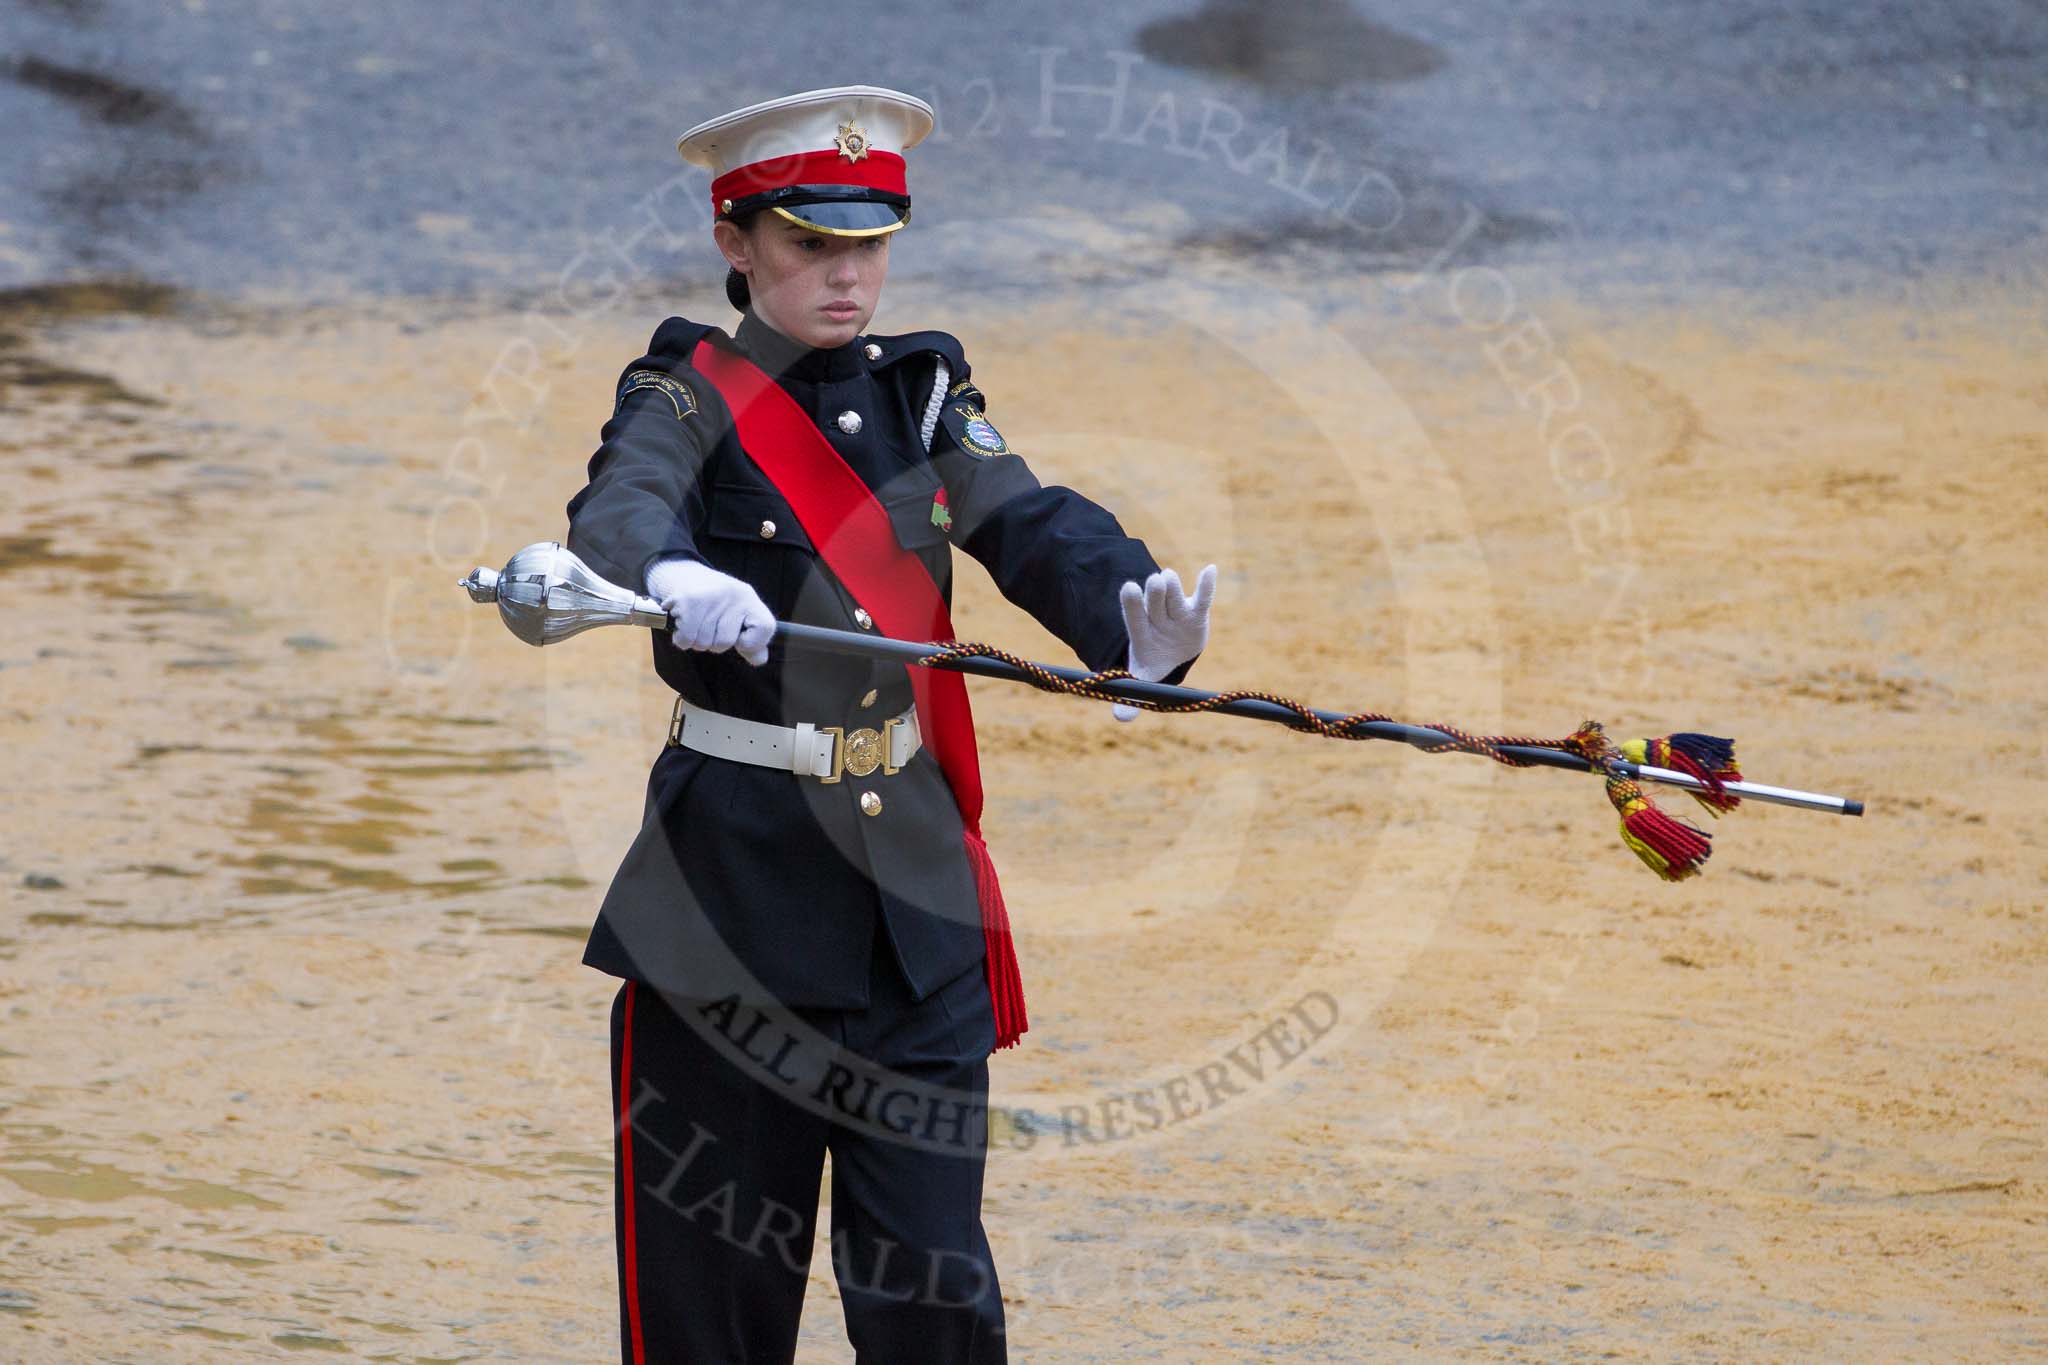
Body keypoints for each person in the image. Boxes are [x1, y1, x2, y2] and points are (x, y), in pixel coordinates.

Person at [563, 85, 1217, 1364]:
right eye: (809, 243)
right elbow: (622, 505)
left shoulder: (923, 395)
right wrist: (671, 575)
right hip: (730, 915)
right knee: (712, 1319)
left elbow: (1026, 514)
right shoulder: (683, 394)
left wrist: (1126, 628)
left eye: (866, 245)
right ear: (736, 242)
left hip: (909, 913)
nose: (845, 276)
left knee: (935, 1310)